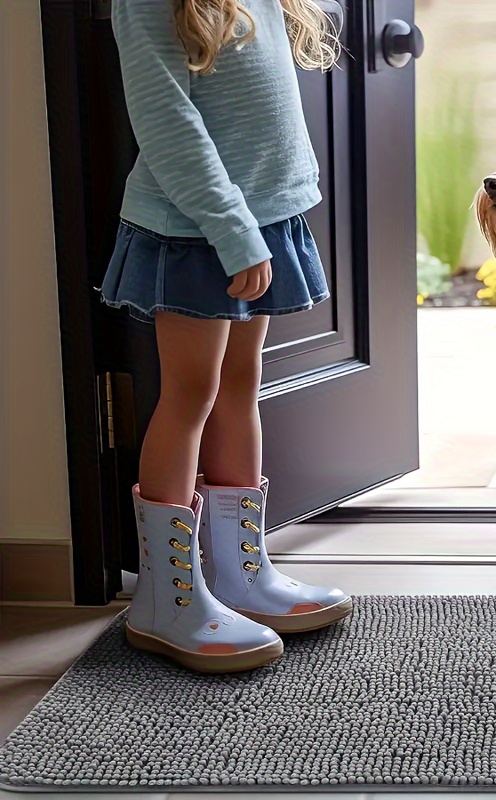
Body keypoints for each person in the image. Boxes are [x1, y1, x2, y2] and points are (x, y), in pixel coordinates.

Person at [97, 0, 352, 674]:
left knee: (241, 386)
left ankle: (242, 577)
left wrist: (268, 218)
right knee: (191, 393)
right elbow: (167, 125)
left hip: (260, 220)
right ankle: (164, 601)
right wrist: (233, 232)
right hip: (197, 228)